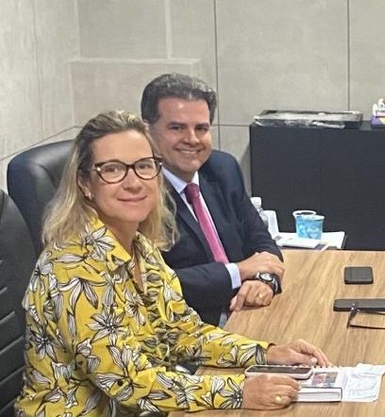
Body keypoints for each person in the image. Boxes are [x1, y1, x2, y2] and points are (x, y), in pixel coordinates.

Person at [16, 111, 331, 415]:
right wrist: (239, 391)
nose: (134, 182)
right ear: (85, 183)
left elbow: (184, 334)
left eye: (144, 166)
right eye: (113, 169)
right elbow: (129, 382)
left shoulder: (140, 248)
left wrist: (266, 353)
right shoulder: (74, 266)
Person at [141, 73, 284, 326]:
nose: (192, 139)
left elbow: (262, 242)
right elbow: (153, 283)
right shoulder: (138, 193)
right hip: (187, 328)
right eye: (177, 128)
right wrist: (239, 272)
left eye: (201, 128)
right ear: (147, 131)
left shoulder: (222, 169)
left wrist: (264, 280)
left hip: (247, 314)